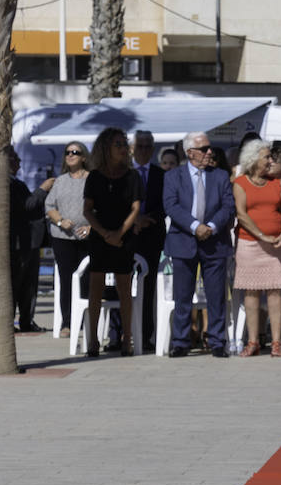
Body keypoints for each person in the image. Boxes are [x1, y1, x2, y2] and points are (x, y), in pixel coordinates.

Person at [163, 132, 236, 357]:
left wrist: (211, 226)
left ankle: (216, 341)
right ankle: (181, 342)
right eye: (204, 149)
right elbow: (171, 206)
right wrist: (195, 226)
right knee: (183, 295)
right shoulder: (174, 176)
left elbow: (228, 206)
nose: (209, 152)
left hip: (214, 242)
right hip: (183, 240)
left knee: (216, 296)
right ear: (190, 152)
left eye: (209, 148)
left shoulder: (221, 176)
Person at [81, 127, 143, 357]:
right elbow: (87, 210)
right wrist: (105, 233)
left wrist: (119, 233)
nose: (123, 148)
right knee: (95, 288)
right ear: (106, 147)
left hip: (124, 235)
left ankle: (127, 338)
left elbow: (136, 208)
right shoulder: (95, 176)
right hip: (99, 235)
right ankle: (93, 339)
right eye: (118, 144)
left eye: (124, 143)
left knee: (124, 287)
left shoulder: (132, 176)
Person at [233, 140, 281, 356]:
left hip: (276, 245)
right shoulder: (240, 183)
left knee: (275, 291)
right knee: (252, 292)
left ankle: (276, 342)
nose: (270, 161)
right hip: (249, 244)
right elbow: (241, 214)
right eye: (266, 157)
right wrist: (261, 235)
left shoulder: (275, 183)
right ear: (253, 159)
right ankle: (253, 341)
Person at [45, 141, 92, 336]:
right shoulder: (60, 181)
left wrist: (91, 227)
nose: (71, 155)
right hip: (62, 238)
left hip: (88, 237)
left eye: (75, 152)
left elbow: (100, 207)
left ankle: (89, 322)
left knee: (87, 280)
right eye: (67, 152)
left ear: (83, 157)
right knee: (66, 280)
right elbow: (49, 207)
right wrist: (60, 221)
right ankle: (68, 323)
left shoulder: (92, 179)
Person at [7, 149, 51, 333]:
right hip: (19, 243)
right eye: (15, 158)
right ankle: (12, 321)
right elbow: (26, 206)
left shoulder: (17, 182)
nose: (18, 162)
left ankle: (27, 320)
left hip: (30, 242)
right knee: (17, 283)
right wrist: (43, 189)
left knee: (29, 284)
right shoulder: (7, 184)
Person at [131, 130, 167, 352]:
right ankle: (121, 334)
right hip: (128, 236)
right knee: (123, 287)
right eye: (140, 146)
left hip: (152, 237)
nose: (143, 150)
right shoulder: (124, 173)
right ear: (133, 148)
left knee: (150, 288)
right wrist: (134, 220)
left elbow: (166, 204)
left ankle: (146, 335)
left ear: (152, 150)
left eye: (147, 146)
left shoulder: (161, 174)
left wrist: (147, 220)